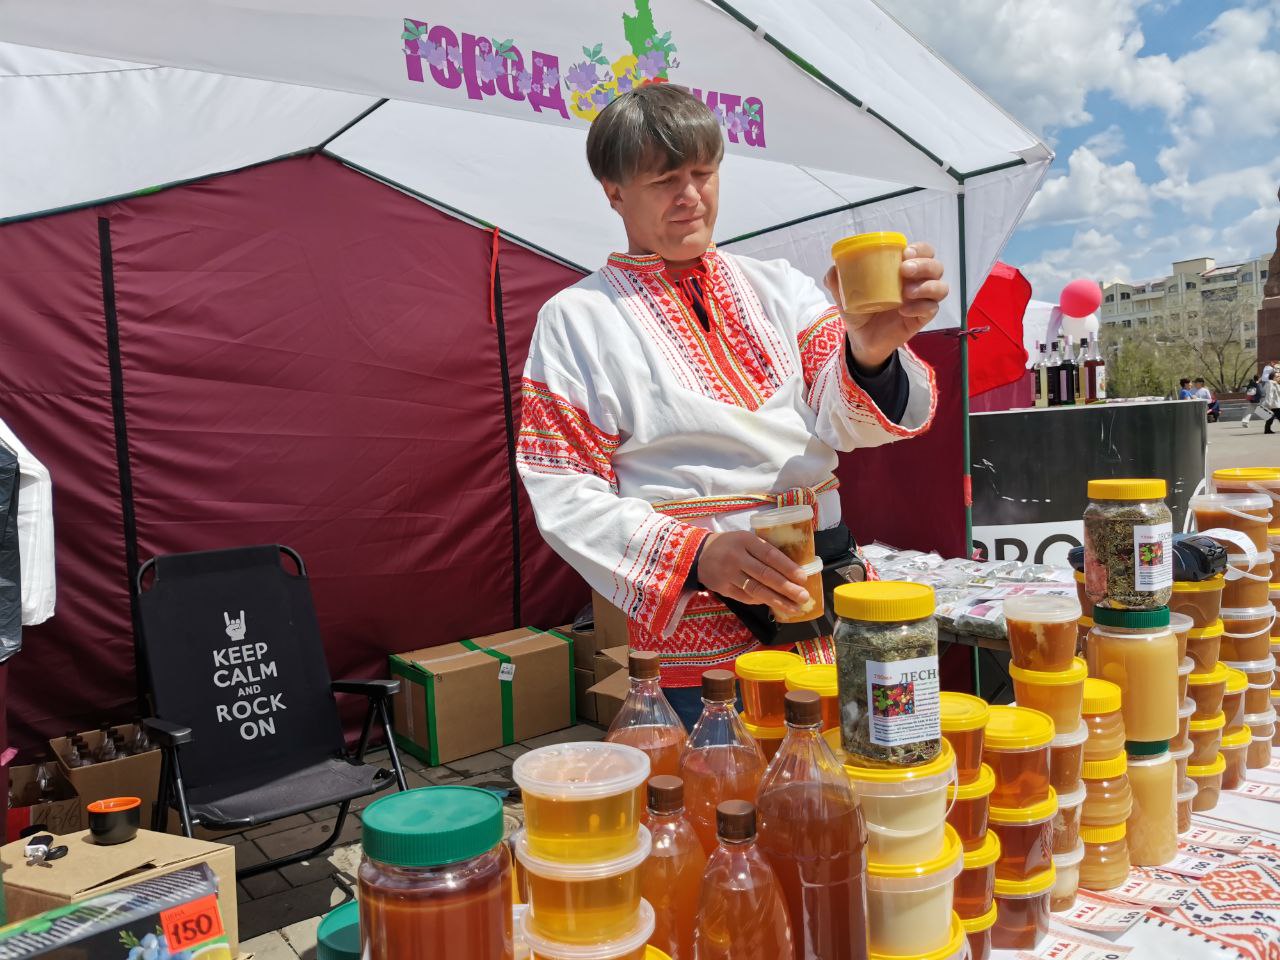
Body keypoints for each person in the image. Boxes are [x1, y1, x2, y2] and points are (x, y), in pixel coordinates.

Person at [516, 85, 944, 727]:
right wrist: (696, 557)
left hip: (823, 600)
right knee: (723, 808)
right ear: (614, 192)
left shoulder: (782, 289)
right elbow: (561, 484)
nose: (690, 195)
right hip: (697, 626)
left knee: (832, 798)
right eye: (664, 179)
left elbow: (842, 416)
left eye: (703, 173)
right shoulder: (578, 318)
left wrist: (874, 350)